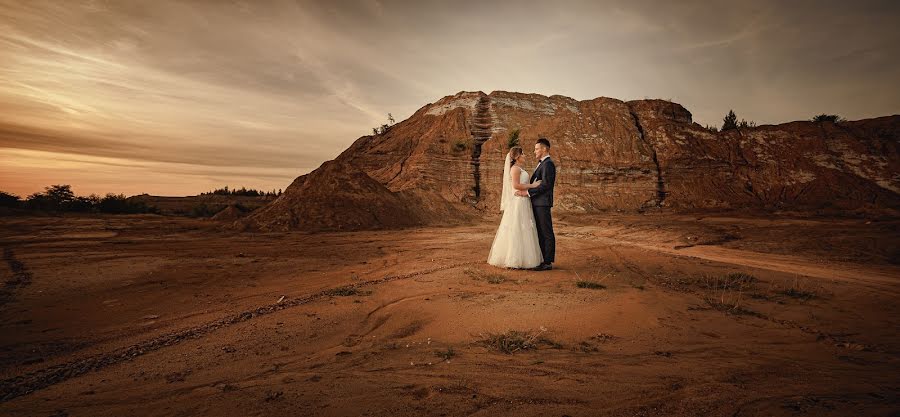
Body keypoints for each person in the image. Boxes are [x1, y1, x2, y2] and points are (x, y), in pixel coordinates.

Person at [486, 146, 544, 269]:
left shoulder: (520, 168)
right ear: (517, 157)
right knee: (517, 227)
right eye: (523, 154)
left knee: (524, 228)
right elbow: (516, 185)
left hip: (523, 201)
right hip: (518, 202)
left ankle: (524, 258)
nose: (525, 155)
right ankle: (513, 259)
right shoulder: (515, 169)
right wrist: (533, 186)